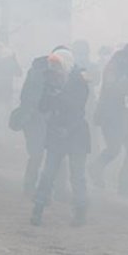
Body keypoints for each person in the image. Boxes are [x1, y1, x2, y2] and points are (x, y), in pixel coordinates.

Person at [31, 47, 92, 226]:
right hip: (57, 133)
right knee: (48, 173)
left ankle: (80, 213)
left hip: (75, 133)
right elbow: (42, 107)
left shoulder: (79, 82)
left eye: (56, 66)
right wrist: (49, 91)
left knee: (77, 175)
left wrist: (59, 96)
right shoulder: (51, 81)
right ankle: (38, 208)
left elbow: (78, 109)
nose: (53, 70)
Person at [91, 44, 128, 196]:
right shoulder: (113, 67)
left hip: (127, 114)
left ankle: (124, 186)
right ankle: (95, 168)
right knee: (113, 150)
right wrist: (126, 77)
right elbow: (111, 90)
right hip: (111, 115)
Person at [17, 56, 51, 194]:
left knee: (36, 154)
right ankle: (34, 186)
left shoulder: (34, 74)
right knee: (42, 154)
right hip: (36, 119)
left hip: (32, 120)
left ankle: (30, 185)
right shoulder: (41, 77)